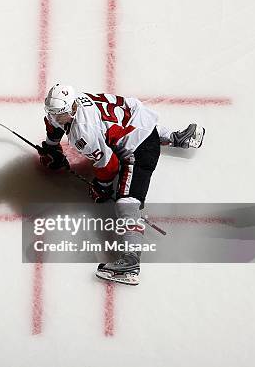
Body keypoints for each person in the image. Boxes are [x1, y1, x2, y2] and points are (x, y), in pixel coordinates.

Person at [39, 83, 205, 285]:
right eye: (52, 112)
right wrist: (51, 147)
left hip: (141, 149)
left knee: (126, 203)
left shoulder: (82, 134)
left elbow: (110, 165)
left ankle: (130, 263)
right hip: (137, 118)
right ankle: (177, 137)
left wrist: (102, 186)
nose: (54, 117)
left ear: (71, 110)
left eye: (59, 114)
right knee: (119, 130)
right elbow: (53, 123)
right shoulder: (74, 102)